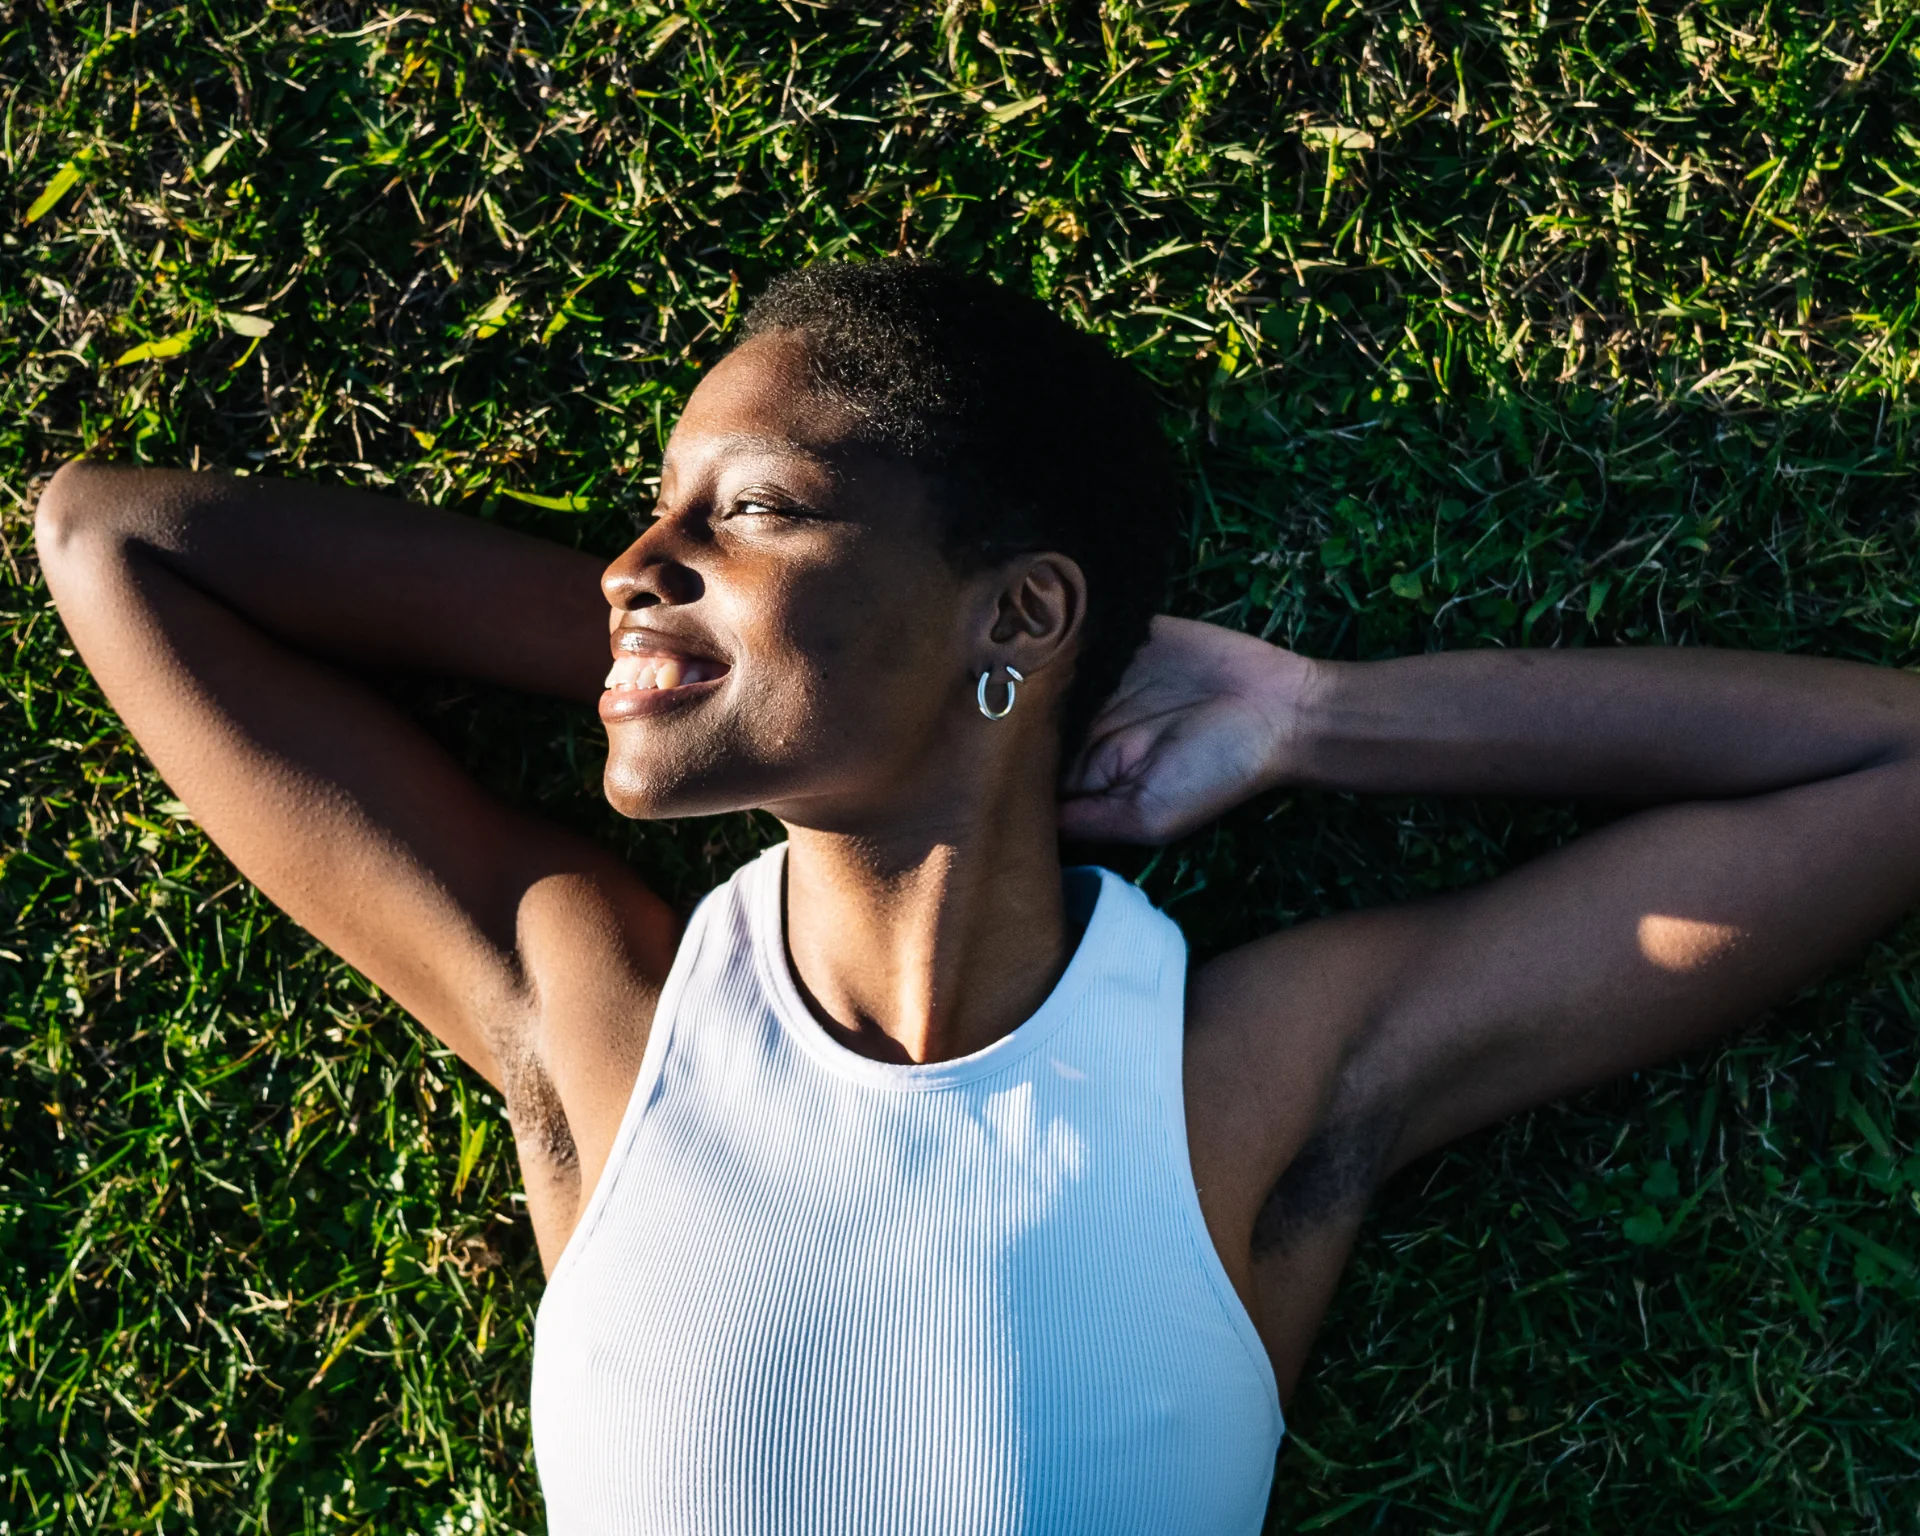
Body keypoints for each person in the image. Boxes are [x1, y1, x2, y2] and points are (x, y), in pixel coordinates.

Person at [33, 260, 1920, 1535]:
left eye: (746, 507)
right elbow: (111, 540)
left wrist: (1321, 722)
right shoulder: (601, 1023)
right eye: (649, 515)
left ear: (1019, 606)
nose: (634, 560)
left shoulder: (1251, 1077)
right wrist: (683, 657)